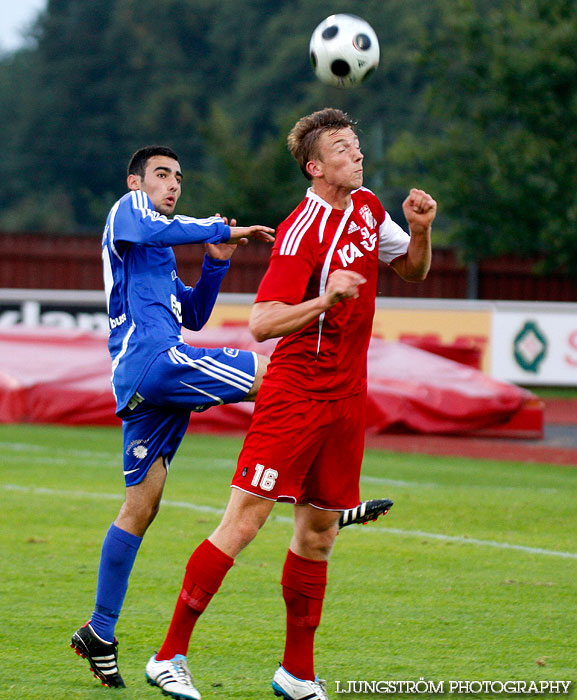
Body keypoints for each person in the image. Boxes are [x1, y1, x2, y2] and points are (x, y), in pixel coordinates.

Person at [145, 109, 437, 700]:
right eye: (343, 147)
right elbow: (261, 322)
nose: (356, 153)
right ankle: (168, 655)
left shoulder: (369, 208)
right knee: (246, 520)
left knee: (319, 534)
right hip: (295, 390)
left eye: (356, 143)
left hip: (347, 394)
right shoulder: (304, 229)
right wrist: (325, 300)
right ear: (314, 165)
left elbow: (412, 269)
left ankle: (296, 673)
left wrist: (422, 228)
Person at [70, 145, 275, 688]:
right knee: (276, 373)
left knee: (142, 505)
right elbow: (157, 229)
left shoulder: (158, 253)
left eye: (179, 177)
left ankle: (100, 629)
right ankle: (320, 497)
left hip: (144, 383)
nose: (172, 184)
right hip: (153, 363)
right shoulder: (127, 212)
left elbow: (197, 314)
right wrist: (219, 227)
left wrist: (215, 260)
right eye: (162, 175)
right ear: (136, 180)